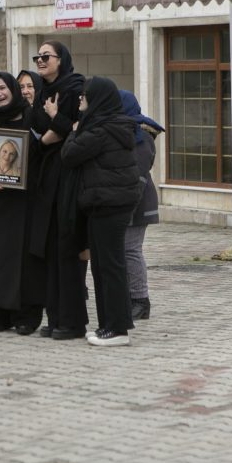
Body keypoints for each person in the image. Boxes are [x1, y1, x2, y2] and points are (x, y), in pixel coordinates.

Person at [61, 76, 142, 347]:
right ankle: (109, 325)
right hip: (105, 203)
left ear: (97, 100)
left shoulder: (100, 130)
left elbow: (69, 154)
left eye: (85, 96)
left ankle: (118, 329)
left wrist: (73, 130)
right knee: (104, 266)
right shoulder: (108, 125)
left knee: (110, 266)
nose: (80, 99)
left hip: (108, 203)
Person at [0, 71, 45, 335]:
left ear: (12, 89)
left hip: (27, 200)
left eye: (2, 87)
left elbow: (43, 150)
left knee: (26, 259)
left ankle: (28, 314)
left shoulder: (31, 116)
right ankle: (1, 313)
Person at [28, 41, 88, 340]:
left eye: (46, 56)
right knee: (49, 252)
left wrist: (50, 126)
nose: (40, 60)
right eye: (37, 56)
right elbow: (40, 130)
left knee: (67, 252)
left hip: (67, 178)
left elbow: (71, 130)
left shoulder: (75, 87)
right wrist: (46, 135)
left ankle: (73, 322)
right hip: (46, 179)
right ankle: (54, 318)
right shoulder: (41, 91)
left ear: (61, 60)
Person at [120, 90, 164, 322]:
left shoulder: (141, 136)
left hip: (136, 203)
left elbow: (138, 173)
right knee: (124, 251)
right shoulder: (125, 133)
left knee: (131, 250)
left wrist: (126, 204)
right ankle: (129, 296)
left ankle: (140, 300)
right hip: (126, 201)